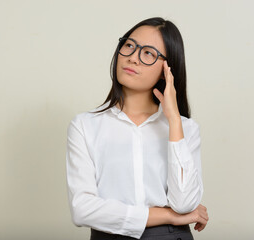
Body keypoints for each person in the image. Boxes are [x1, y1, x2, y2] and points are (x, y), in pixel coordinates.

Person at [65, 17, 209, 240]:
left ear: (166, 69)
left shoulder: (185, 129)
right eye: (129, 46)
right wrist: (166, 215)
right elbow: (82, 209)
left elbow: (184, 203)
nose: (133, 58)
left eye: (148, 53)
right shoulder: (85, 126)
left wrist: (173, 121)